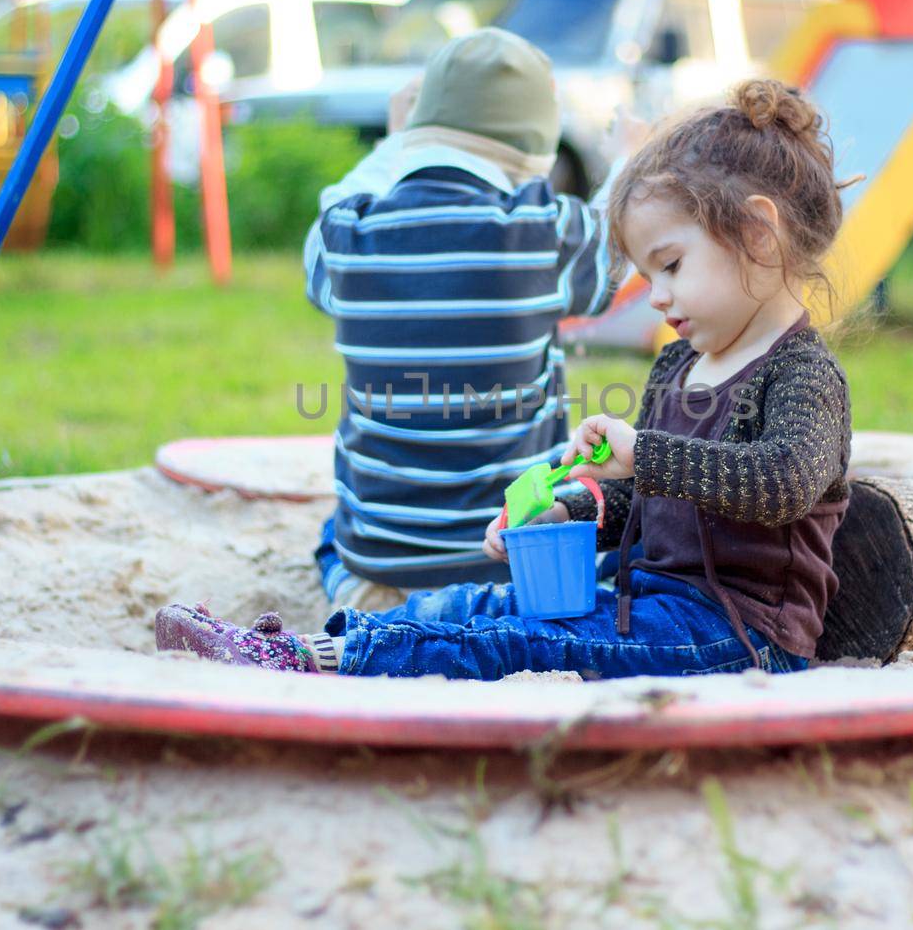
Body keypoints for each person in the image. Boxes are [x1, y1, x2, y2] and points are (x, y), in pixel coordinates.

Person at [156, 79, 852, 679]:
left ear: (759, 234)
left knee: (514, 642)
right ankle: (319, 643)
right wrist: (573, 514)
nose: (656, 296)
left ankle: (314, 661)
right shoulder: (679, 362)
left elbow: (780, 483)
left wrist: (643, 451)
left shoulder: (801, 374)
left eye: (670, 266)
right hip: (644, 603)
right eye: (646, 275)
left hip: (740, 638)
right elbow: (651, 504)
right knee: (476, 605)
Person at [301, 28, 623, 611]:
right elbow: (622, 253)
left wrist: (392, 145)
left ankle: (361, 593)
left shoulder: (346, 233)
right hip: (513, 555)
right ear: (534, 152)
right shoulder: (542, 231)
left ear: (414, 135)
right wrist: (630, 156)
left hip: (383, 549)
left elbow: (320, 244)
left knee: (331, 535)